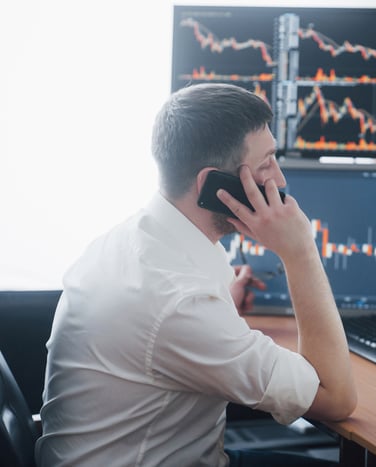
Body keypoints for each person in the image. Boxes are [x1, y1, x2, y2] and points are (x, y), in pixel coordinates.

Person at [35, 83, 357, 467]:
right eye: (266, 164)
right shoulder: (179, 303)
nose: (280, 180)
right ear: (213, 186)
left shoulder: (138, 238)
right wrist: (300, 251)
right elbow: (335, 398)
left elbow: (167, 326)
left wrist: (222, 304)